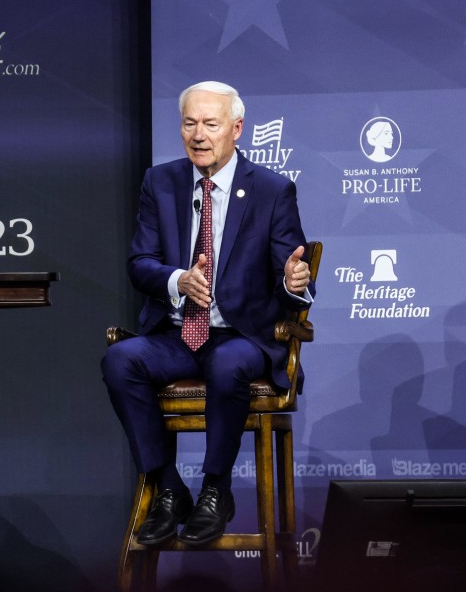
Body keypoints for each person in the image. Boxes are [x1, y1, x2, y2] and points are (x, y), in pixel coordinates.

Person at [101, 81, 313, 547]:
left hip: (242, 337)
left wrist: (293, 282)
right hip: (177, 335)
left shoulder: (272, 190)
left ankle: (216, 489)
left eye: (210, 124)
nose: (198, 135)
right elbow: (140, 263)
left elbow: (296, 275)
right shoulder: (160, 182)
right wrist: (177, 279)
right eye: (189, 123)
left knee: (227, 363)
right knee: (120, 360)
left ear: (236, 129)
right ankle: (168, 488)